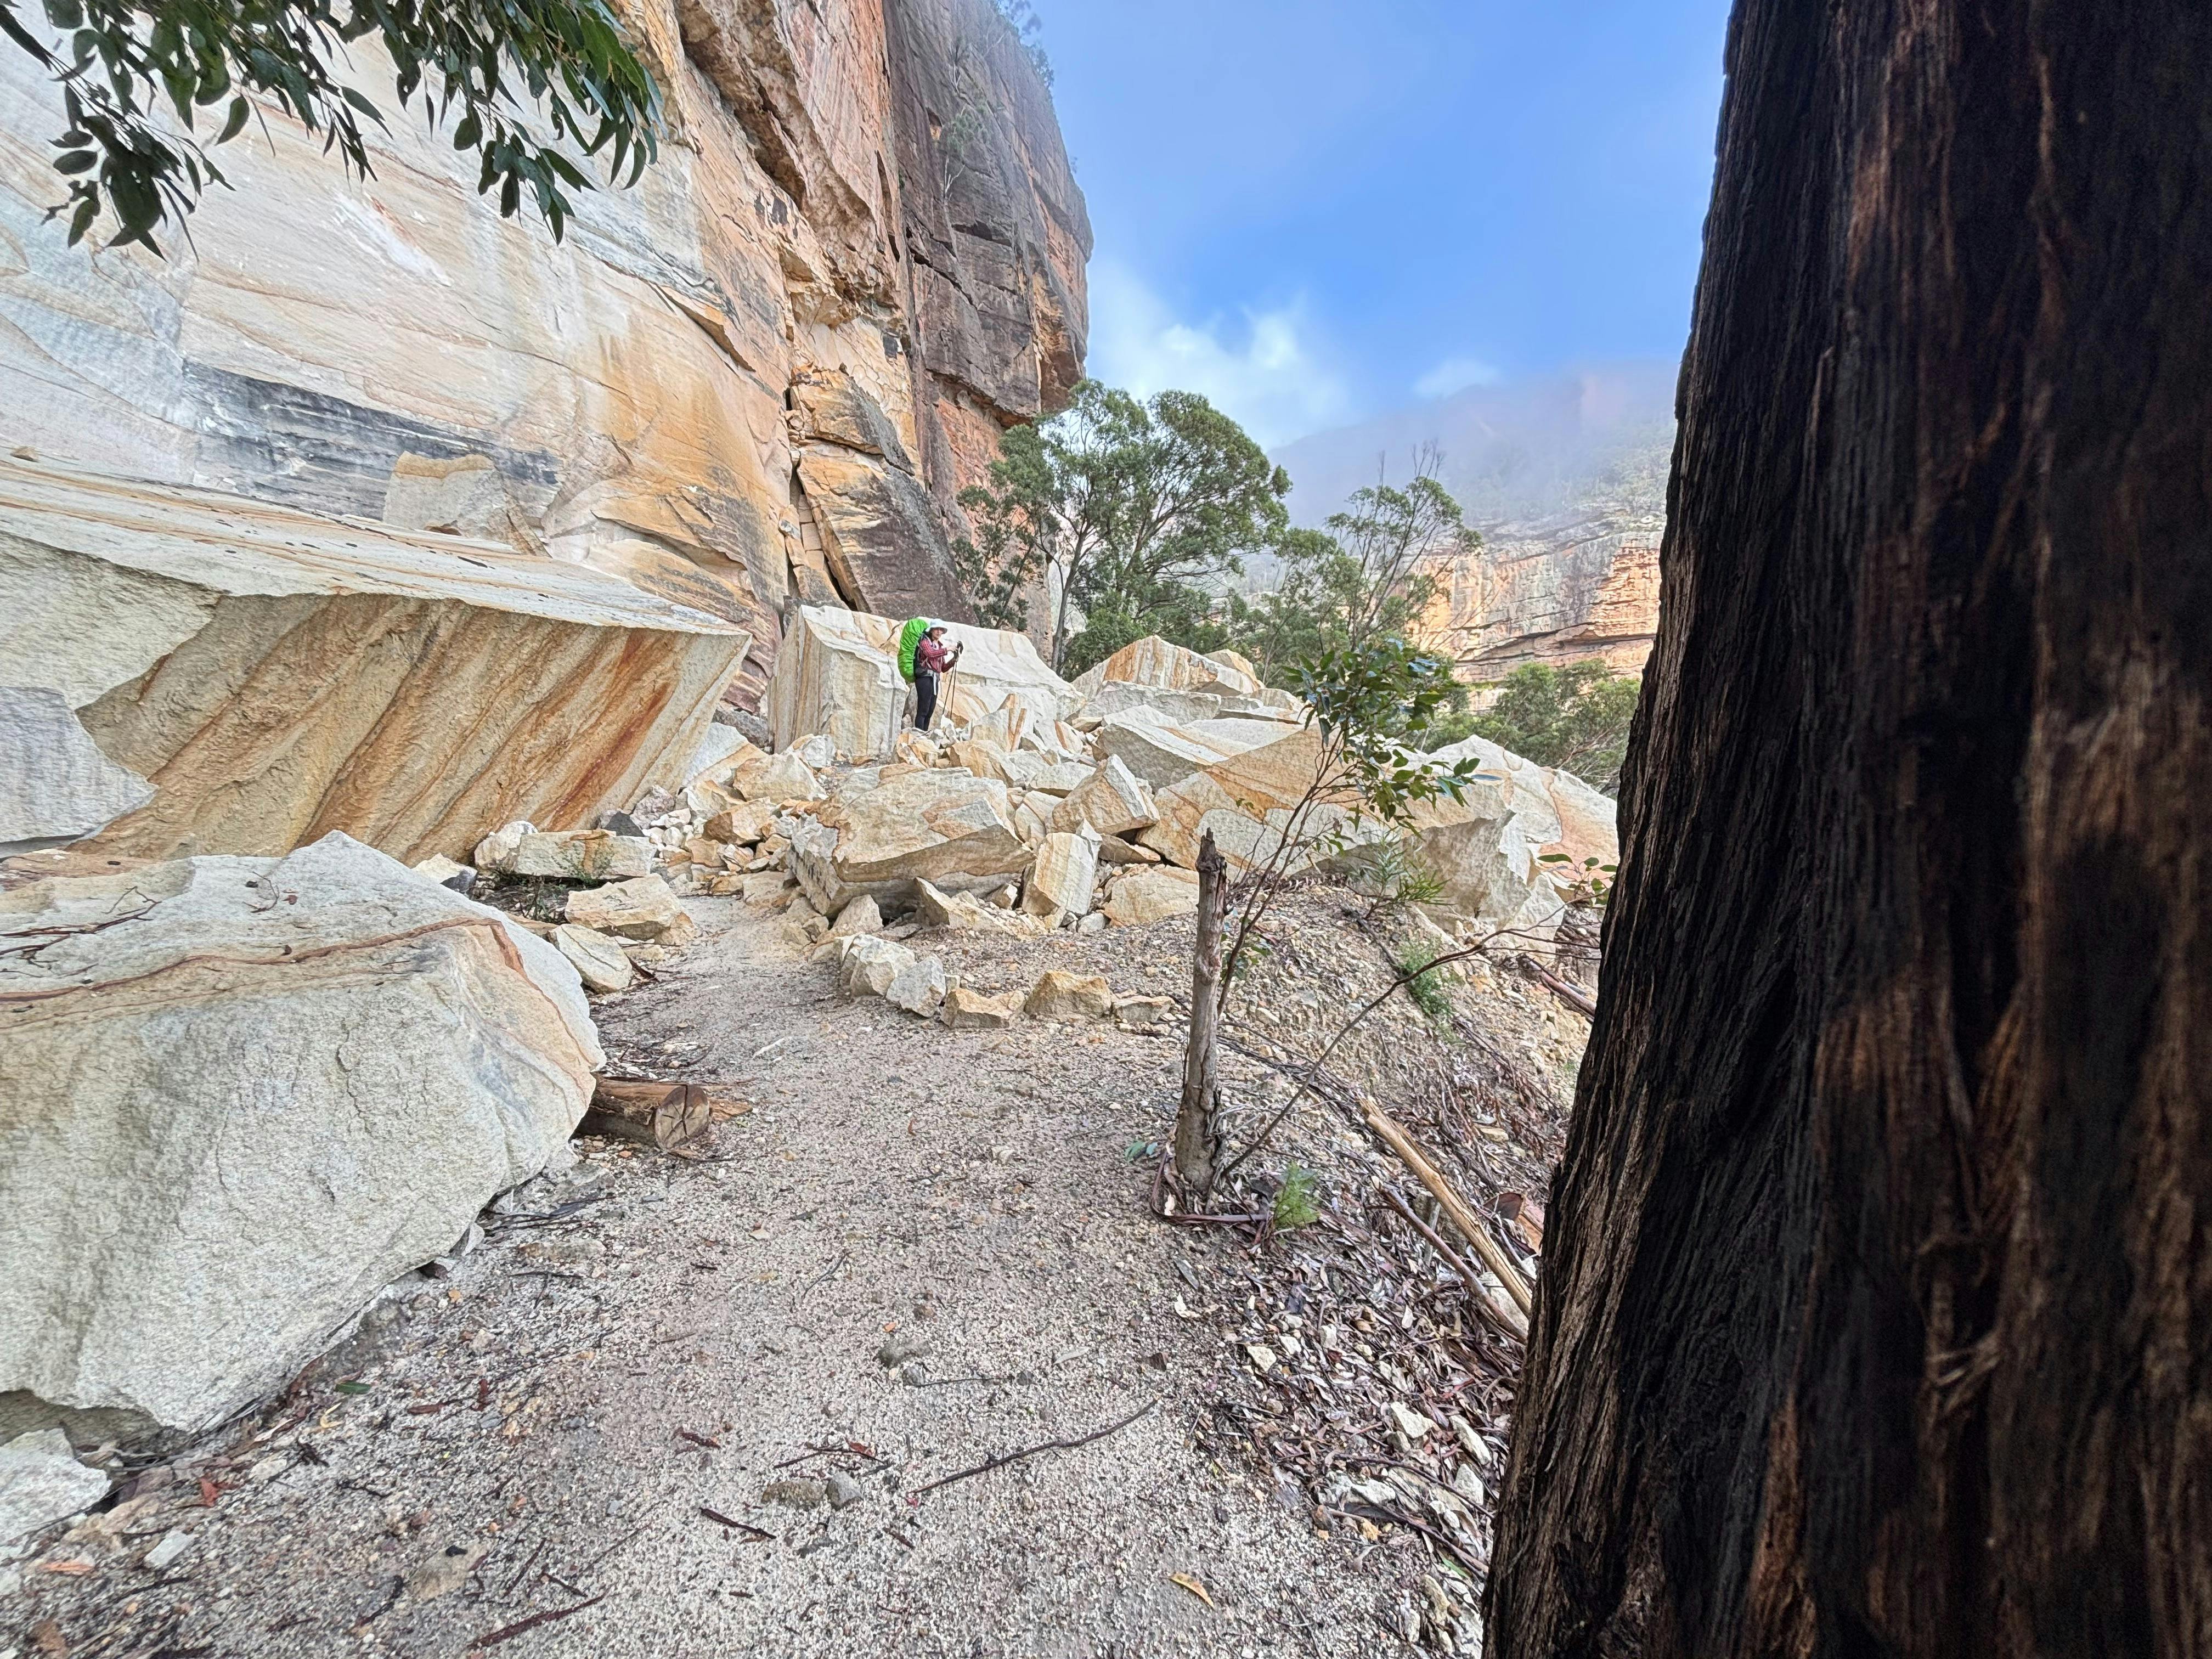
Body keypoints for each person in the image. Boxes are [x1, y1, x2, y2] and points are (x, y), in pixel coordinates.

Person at [912, 624, 962, 730]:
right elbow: (930, 654)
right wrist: (947, 650)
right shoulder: (925, 642)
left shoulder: (939, 647)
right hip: (925, 678)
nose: (939, 632)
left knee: (930, 710)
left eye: (941, 630)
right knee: (923, 709)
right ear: (931, 630)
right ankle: (918, 734)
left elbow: (943, 668)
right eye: (937, 629)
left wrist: (953, 660)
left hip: (934, 680)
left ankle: (924, 734)